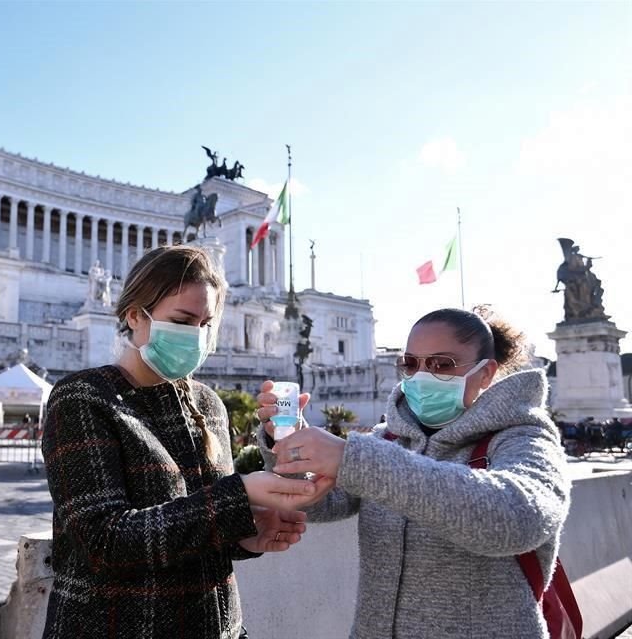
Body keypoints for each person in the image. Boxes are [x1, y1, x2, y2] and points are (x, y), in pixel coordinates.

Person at [41, 245, 329, 639]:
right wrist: (239, 496)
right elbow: (102, 541)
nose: (196, 336)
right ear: (134, 316)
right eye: (182, 320)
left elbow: (202, 529)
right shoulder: (84, 398)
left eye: (205, 323)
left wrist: (248, 535)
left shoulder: (209, 405)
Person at [255, 306, 571, 638]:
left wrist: (354, 458)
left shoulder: (524, 436)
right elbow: (318, 502)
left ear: (486, 373)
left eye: (441, 364)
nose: (421, 377)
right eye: (410, 364)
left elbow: (517, 518)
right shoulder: (387, 438)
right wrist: (289, 442)